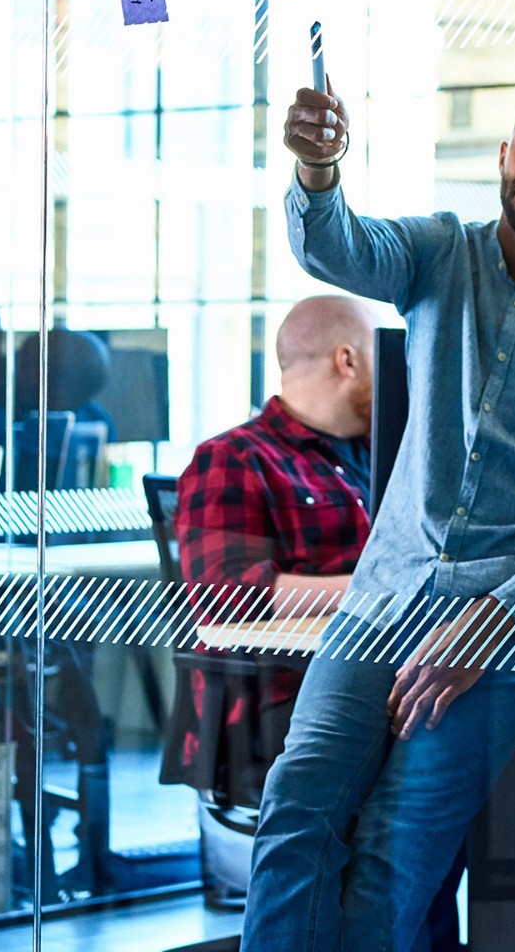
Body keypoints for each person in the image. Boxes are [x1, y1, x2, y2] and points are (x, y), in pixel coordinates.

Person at [239, 85, 515, 952]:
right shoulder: (438, 253)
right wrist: (319, 168)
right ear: (503, 158)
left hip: (506, 616)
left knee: (397, 851)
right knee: (295, 806)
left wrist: (504, 616)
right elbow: (338, 246)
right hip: (384, 598)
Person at [172, 294, 379, 789]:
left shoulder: (382, 453)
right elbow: (225, 597)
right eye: (381, 356)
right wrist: (378, 591)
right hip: (280, 697)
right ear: (347, 359)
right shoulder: (233, 458)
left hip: (369, 673)